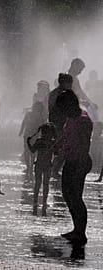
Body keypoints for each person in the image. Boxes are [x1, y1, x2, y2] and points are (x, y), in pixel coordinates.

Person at [54, 90, 92, 244]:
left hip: (79, 162)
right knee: (68, 195)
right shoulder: (71, 118)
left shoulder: (83, 120)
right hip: (71, 161)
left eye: (63, 107)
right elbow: (66, 135)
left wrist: (79, 165)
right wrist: (59, 144)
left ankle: (81, 232)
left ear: (69, 105)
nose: (63, 112)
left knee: (76, 197)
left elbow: (85, 145)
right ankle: (76, 228)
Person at [27, 123, 56, 216]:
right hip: (43, 165)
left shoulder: (46, 142)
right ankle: (39, 201)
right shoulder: (46, 142)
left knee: (42, 183)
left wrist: (28, 143)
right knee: (41, 183)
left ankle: (41, 201)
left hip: (43, 165)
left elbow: (32, 150)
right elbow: (32, 150)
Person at [48, 73, 73, 179]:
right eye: (70, 83)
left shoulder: (53, 93)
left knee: (57, 147)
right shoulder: (62, 94)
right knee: (62, 147)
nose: (71, 86)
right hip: (60, 124)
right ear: (64, 83)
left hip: (55, 123)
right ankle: (54, 170)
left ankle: (53, 169)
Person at [19, 102, 46, 177]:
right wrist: (21, 131)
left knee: (32, 152)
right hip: (29, 135)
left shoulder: (40, 117)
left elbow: (43, 127)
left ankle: (30, 167)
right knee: (28, 151)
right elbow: (23, 123)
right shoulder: (30, 114)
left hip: (34, 136)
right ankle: (29, 167)